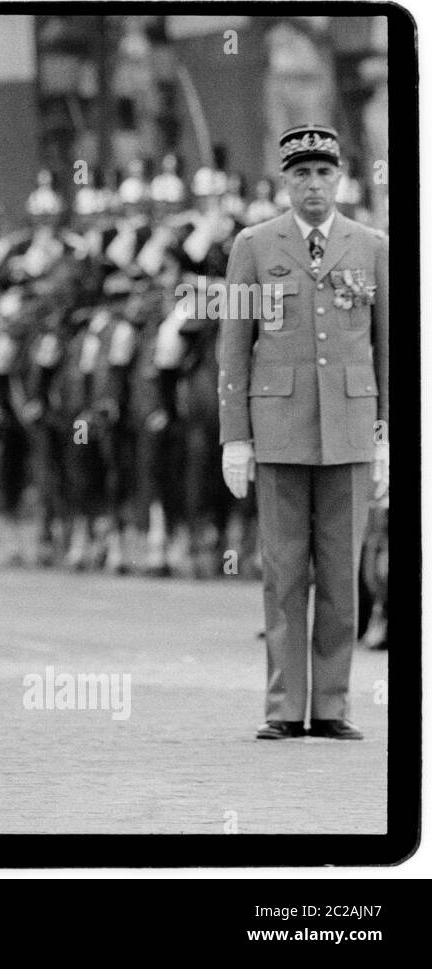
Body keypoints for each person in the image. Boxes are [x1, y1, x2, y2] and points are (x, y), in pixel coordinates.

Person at [218, 124, 389, 740]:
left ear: (339, 178)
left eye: (323, 173)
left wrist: (386, 433)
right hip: (279, 428)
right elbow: (234, 347)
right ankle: (285, 707)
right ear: (285, 181)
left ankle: (333, 706)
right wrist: (235, 436)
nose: (312, 185)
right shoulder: (253, 246)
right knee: (284, 570)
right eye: (300, 174)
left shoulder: (372, 245)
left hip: (348, 430)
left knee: (342, 576)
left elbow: (388, 348)